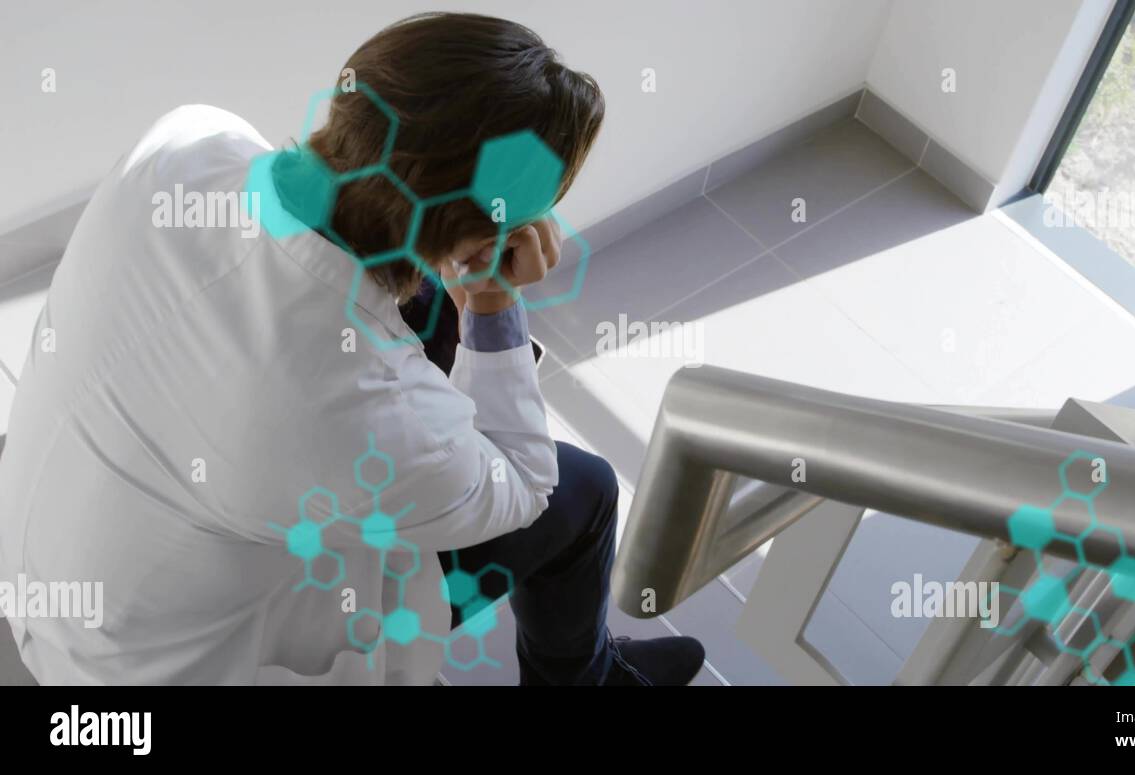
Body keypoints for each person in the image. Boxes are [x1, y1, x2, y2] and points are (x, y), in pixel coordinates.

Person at [0, 12, 704, 686]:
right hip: (154, 668)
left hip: (49, 555)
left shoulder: (188, 140)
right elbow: (525, 484)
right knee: (584, 493)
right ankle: (587, 679)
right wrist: (491, 296)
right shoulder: (349, 407)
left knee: (425, 313)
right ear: (479, 235)